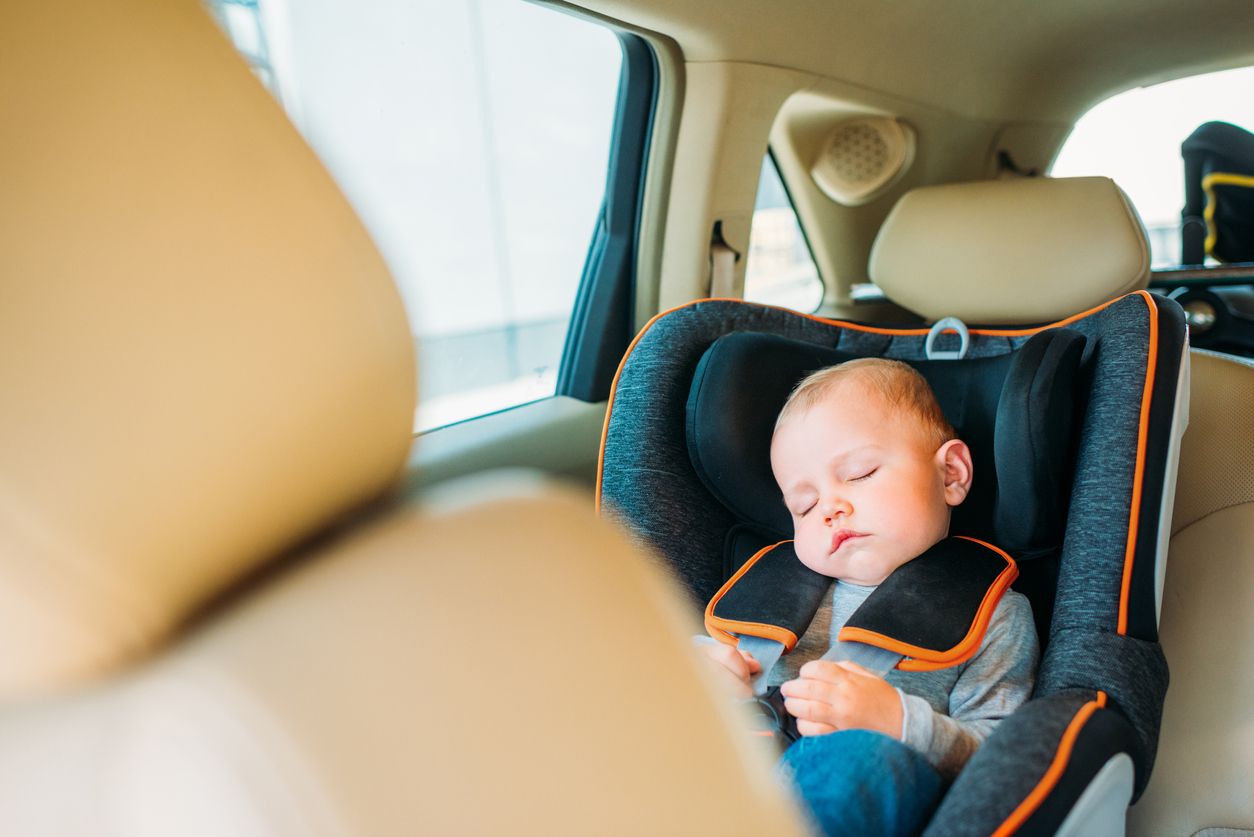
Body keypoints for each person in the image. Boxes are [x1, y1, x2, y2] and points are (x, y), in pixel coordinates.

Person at [700, 357, 1039, 836]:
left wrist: (898, 720)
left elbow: (1007, 760)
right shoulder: (762, 597)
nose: (831, 509)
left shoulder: (991, 615)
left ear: (951, 475)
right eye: (805, 504)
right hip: (734, 790)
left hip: (868, 784)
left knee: (854, 762)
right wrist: (703, 683)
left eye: (859, 473)